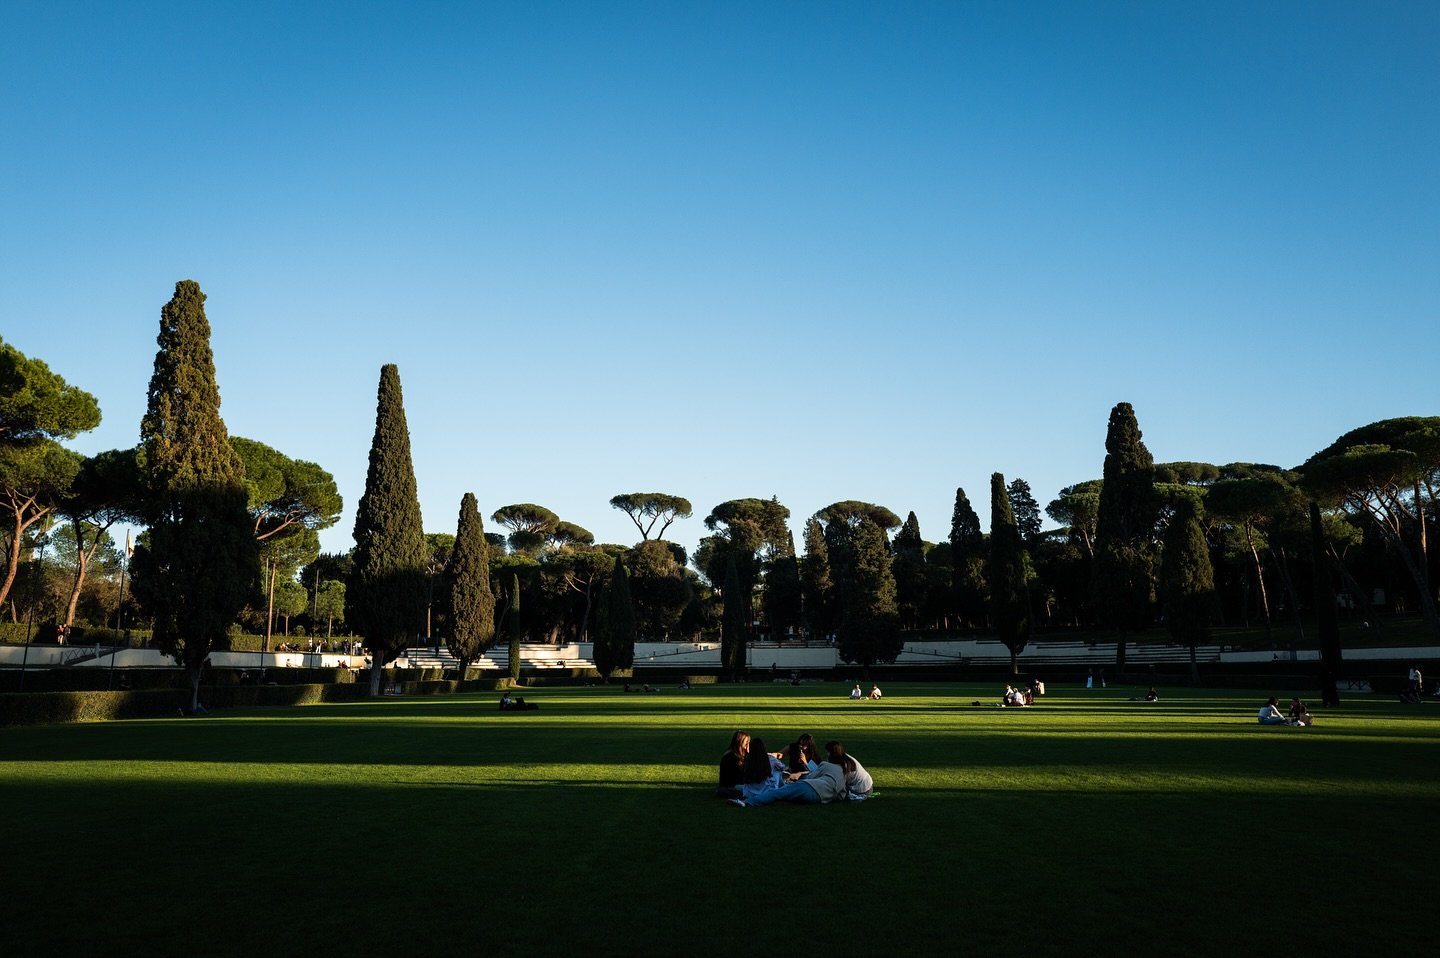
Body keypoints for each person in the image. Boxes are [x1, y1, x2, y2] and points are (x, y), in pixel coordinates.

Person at [731, 755, 847, 807]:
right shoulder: (843, 776)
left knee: (777, 792)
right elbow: (842, 795)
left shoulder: (827, 765)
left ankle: (747, 802)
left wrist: (798, 776)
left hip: (809, 786)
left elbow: (812, 776)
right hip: (819, 797)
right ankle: (743, 792)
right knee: (783, 794)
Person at [736, 736, 786, 804]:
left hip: (749, 792)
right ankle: (782, 788)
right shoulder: (770, 758)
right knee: (777, 770)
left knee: (737, 787)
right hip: (767, 791)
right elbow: (783, 767)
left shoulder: (748, 759)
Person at [718, 731, 750, 798]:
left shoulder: (741, 754)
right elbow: (741, 775)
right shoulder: (731, 756)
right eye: (746, 741)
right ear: (740, 741)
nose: (748, 744)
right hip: (731, 786)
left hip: (736, 785)